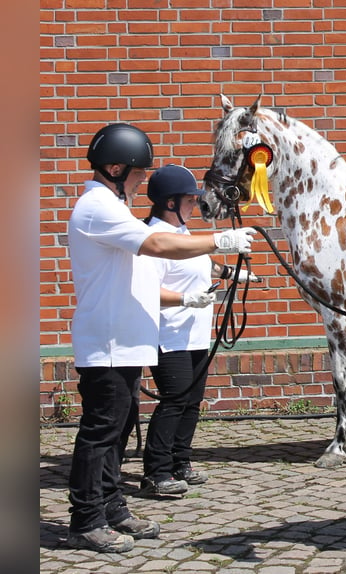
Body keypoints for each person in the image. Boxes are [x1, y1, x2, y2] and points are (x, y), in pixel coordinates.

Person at [66, 123, 256, 553]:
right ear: (115, 167)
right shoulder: (97, 207)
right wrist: (220, 240)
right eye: (138, 172)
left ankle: (111, 506)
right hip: (109, 341)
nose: (141, 180)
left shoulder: (111, 206)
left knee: (118, 432)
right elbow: (159, 245)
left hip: (127, 340)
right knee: (101, 433)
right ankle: (85, 519)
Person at [138, 164, 258, 497]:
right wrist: (185, 299)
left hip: (195, 334)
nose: (195, 205)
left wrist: (234, 274)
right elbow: (147, 291)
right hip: (168, 335)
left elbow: (203, 263)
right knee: (174, 401)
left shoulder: (183, 235)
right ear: (171, 202)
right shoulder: (154, 239)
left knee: (192, 402)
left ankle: (181, 461)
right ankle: (156, 472)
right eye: (190, 199)